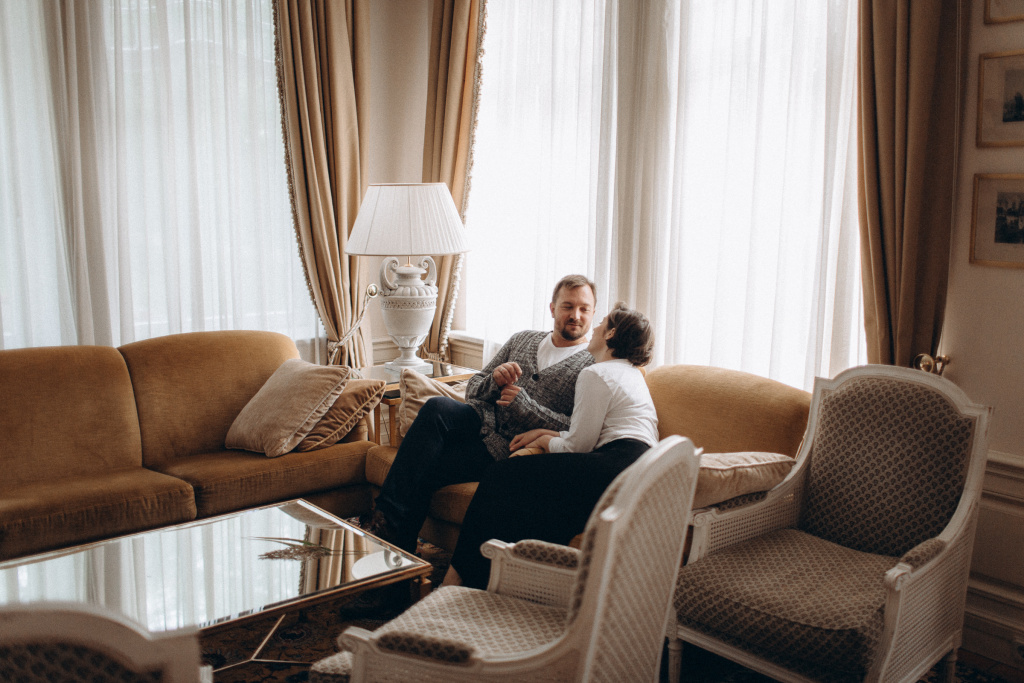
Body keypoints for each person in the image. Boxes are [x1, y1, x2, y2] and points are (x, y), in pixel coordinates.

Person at [361, 274, 598, 553]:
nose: (576, 315)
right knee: (436, 407)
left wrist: (526, 407)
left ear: (593, 313)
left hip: (504, 449)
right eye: (568, 306)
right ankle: (388, 528)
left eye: (584, 309)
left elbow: (575, 427)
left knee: (427, 467)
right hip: (477, 419)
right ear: (553, 308)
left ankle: (392, 543)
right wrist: (494, 380)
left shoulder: (592, 365)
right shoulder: (523, 339)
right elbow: (473, 389)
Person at [442, 302, 658, 589]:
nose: (594, 328)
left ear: (611, 334)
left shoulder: (597, 374)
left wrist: (544, 439)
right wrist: (547, 432)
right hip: (639, 466)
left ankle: (457, 578)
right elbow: (585, 437)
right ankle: (502, 581)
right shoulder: (628, 372)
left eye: (601, 322)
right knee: (541, 503)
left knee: (499, 474)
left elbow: (577, 446)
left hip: (616, 464)